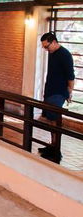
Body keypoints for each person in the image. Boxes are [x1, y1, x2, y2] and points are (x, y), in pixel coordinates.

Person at [38, 32, 75, 161]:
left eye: (46, 47)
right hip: (50, 91)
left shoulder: (65, 55)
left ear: (54, 42)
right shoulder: (52, 53)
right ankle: (52, 145)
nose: (46, 49)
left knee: (54, 121)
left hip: (58, 93)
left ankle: (56, 150)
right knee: (49, 119)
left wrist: (69, 92)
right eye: (44, 47)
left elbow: (70, 76)